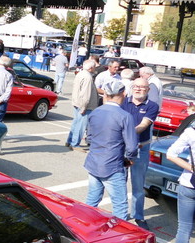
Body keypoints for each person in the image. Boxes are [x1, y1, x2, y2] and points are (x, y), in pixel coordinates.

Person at [83, 80, 137, 220]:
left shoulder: (96, 112)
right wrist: (130, 159)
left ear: (106, 94)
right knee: (120, 206)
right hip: (113, 165)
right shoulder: (125, 116)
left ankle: (84, 230)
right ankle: (119, 240)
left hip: (94, 162)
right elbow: (131, 146)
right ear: (123, 94)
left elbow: (89, 138)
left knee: (91, 201)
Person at [157, 122, 195, 243]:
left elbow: (171, 154)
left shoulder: (191, 131)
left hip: (190, 184)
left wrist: (191, 168)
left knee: (184, 228)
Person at [121, 77, 159, 230]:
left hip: (140, 149)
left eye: (142, 87)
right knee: (119, 183)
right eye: (135, 86)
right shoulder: (123, 102)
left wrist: (127, 132)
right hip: (122, 148)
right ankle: (120, 216)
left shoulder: (152, 106)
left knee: (138, 186)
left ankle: (138, 216)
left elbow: (143, 125)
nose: (138, 89)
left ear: (148, 89)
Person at [66, 59, 98, 149]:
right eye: (94, 66)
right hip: (84, 105)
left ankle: (70, 141)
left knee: (75, 123)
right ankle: (75, 144)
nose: (95, 68)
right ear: (91, 68)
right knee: (81, 126)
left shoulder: (80, 74)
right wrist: (84, 107)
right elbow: (85, 93)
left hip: (77, 102)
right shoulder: (88, 77)